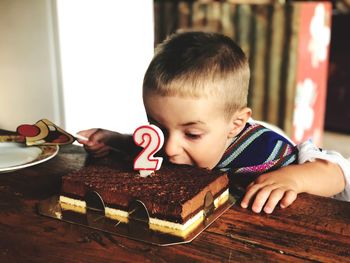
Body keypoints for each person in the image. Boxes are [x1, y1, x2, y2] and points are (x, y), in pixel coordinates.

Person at [77, 31, 349, 214]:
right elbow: (150, 153)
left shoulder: (268, 150)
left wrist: (294, 179)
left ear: (235, 124)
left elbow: (339, 174)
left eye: (192, 134)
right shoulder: (175, 143)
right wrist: (114, 141)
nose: (170, 148)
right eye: (158, 128)